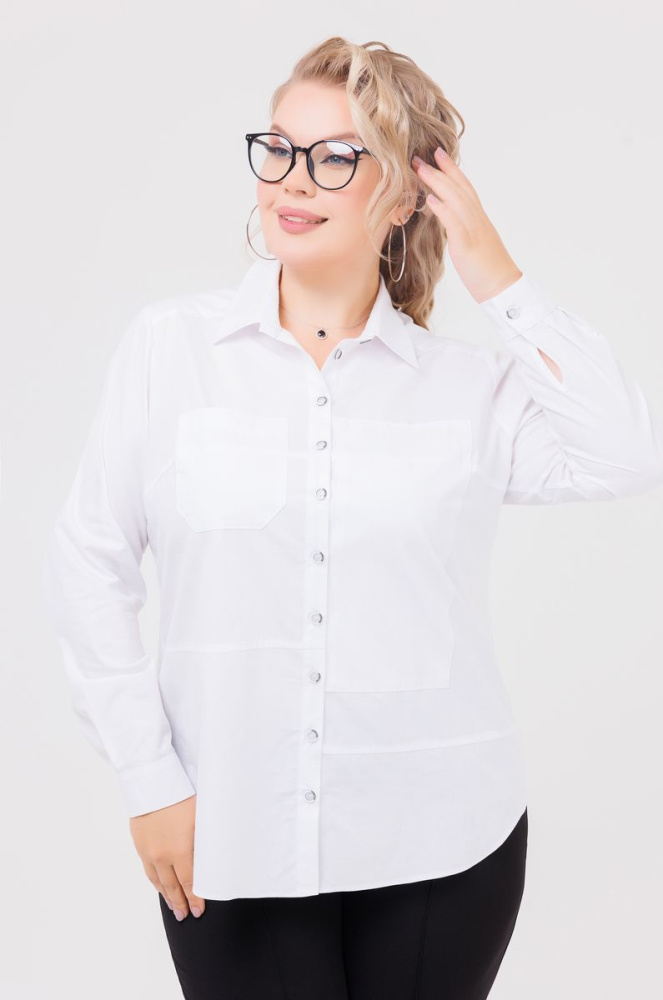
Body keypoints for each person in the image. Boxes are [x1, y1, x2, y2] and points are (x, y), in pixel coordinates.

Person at [41, 36, 663, 1000]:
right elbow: (90, 562)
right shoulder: (170, 352)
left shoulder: (466, 388)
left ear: (408, 192)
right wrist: (148, 779)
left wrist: (498, 276)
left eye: (336, 156)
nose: (293, 178)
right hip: (230, 838)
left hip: (445, 839)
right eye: (279, 147)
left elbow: (624, 451)